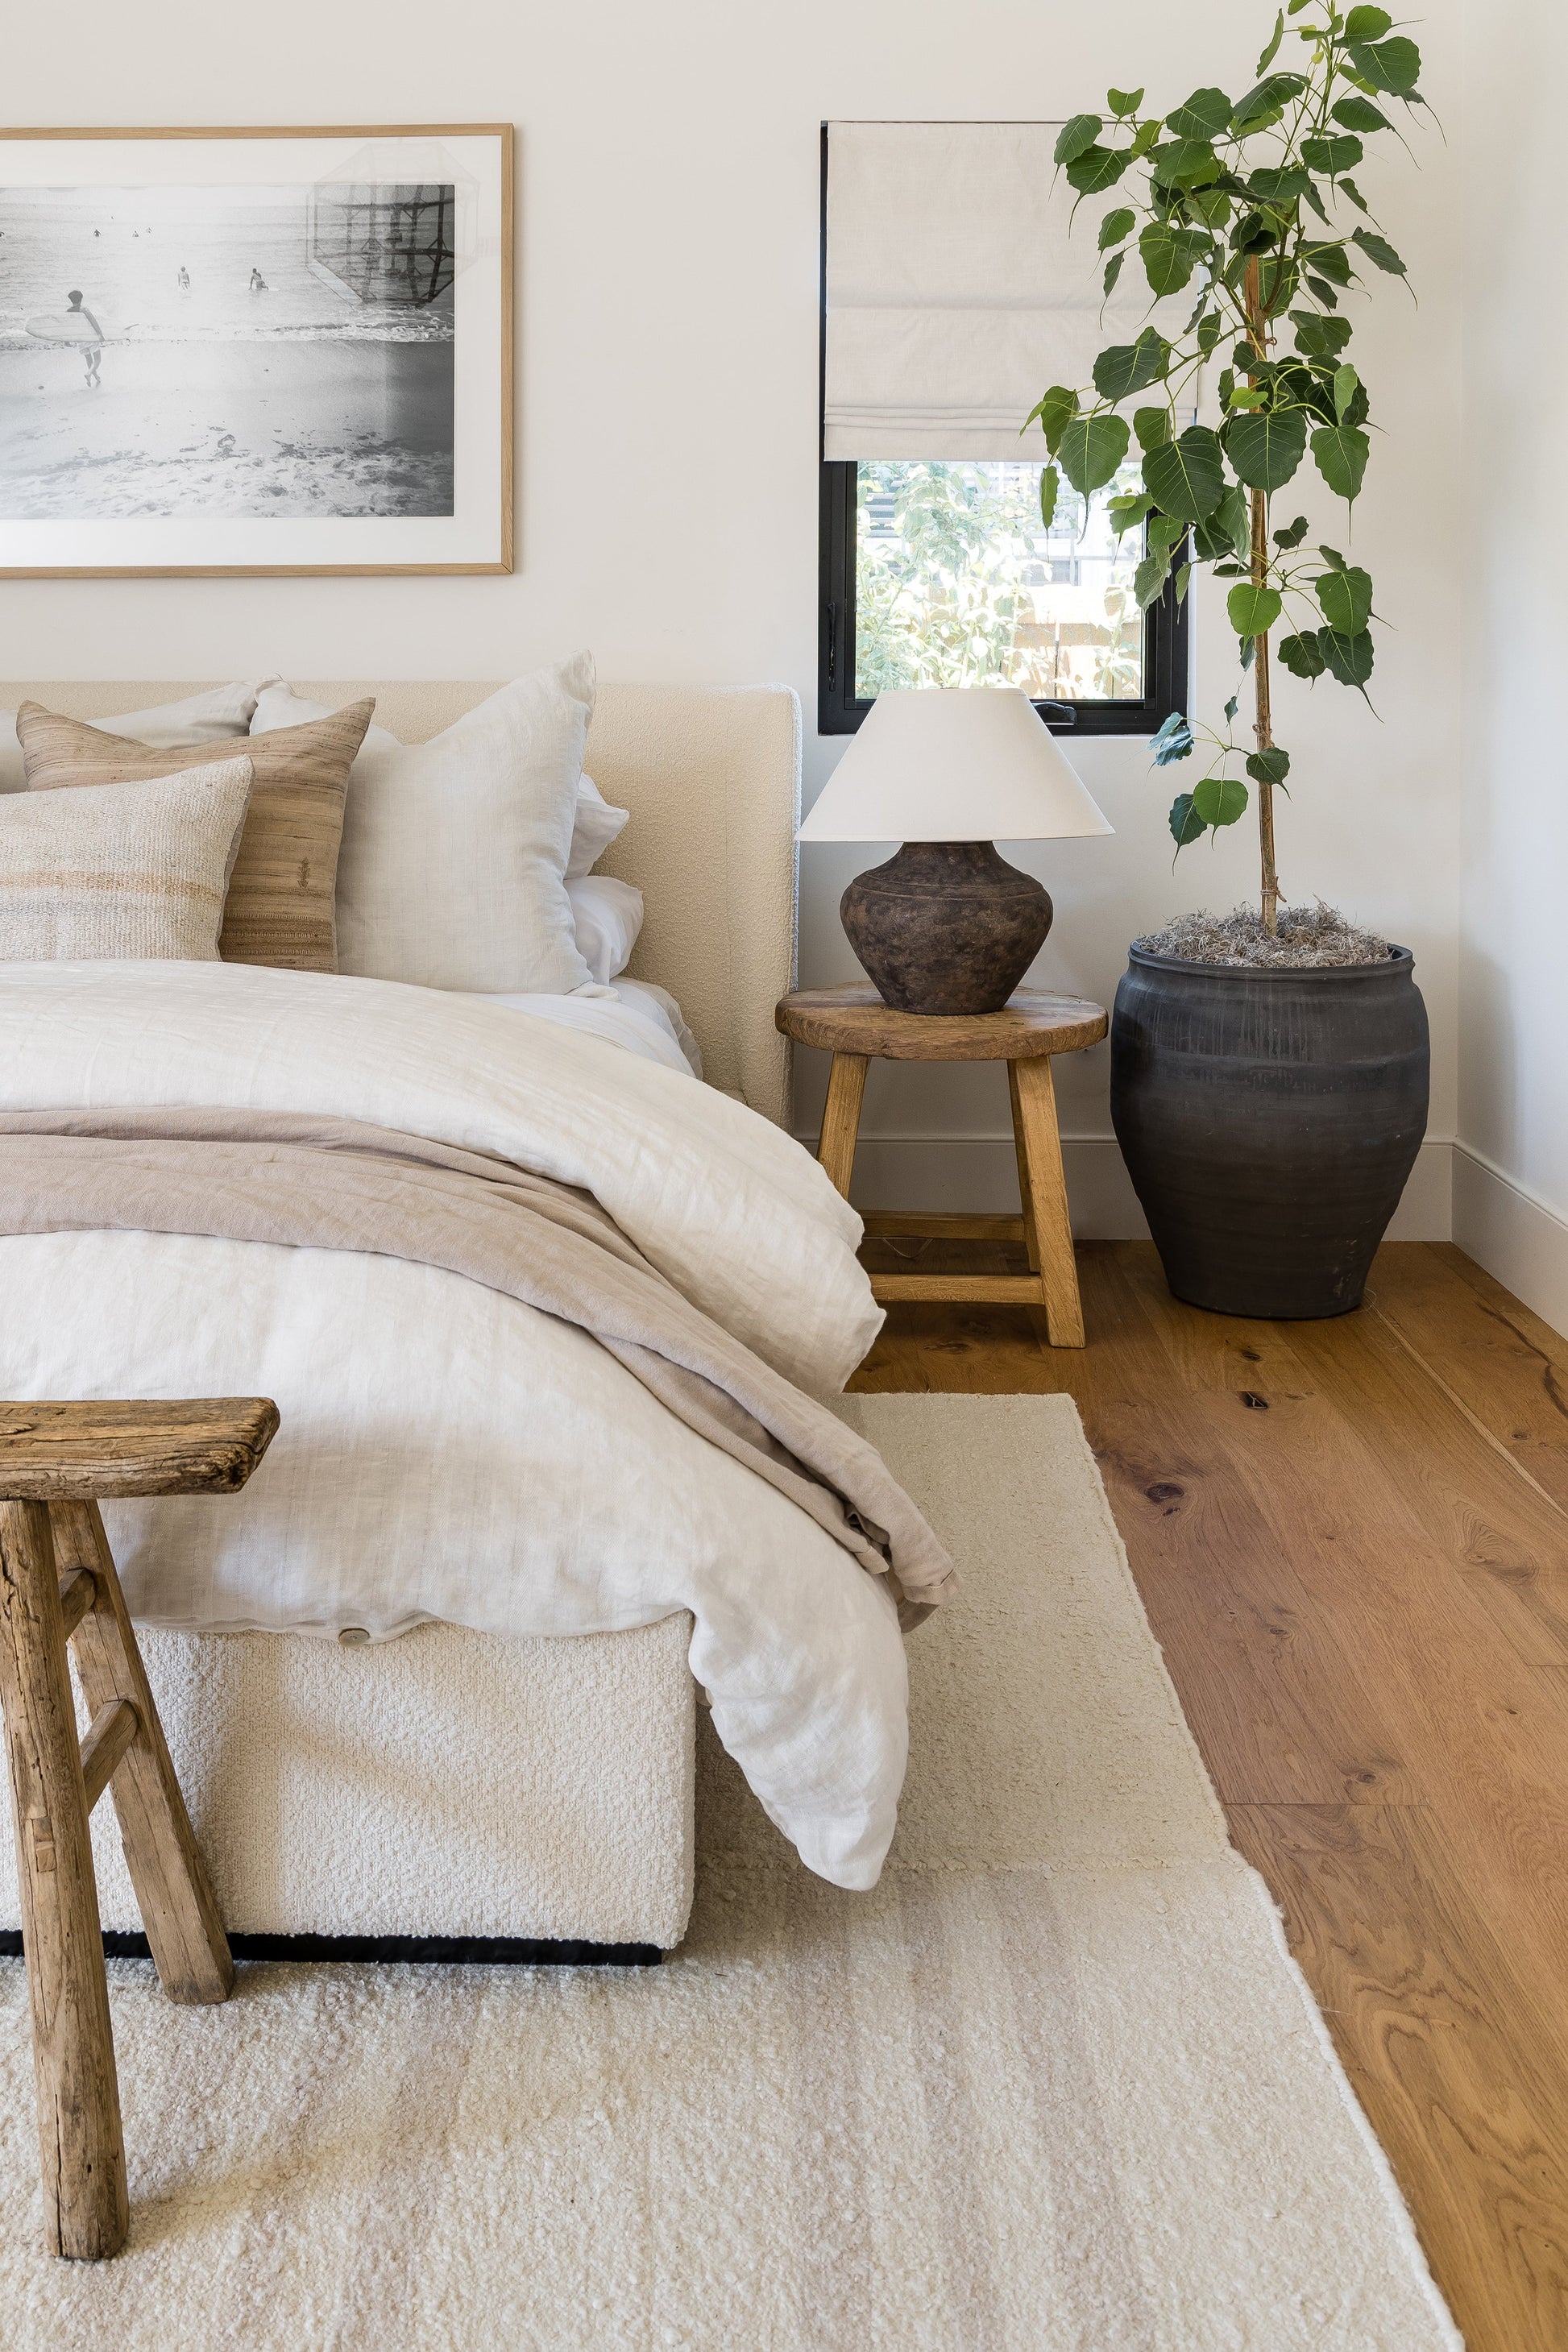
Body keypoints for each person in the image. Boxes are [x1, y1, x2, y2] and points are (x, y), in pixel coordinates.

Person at [65, 288, 103, 388]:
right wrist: (100, 334)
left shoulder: (68, 312)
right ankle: (89, 373)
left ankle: (96, 377)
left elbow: (65, 327)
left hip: (80, 340)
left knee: (89, 360)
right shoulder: (84, 310)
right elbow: (94, 322)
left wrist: (66, 340)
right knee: (98, 360)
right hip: (90, 337)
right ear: (81, 299)